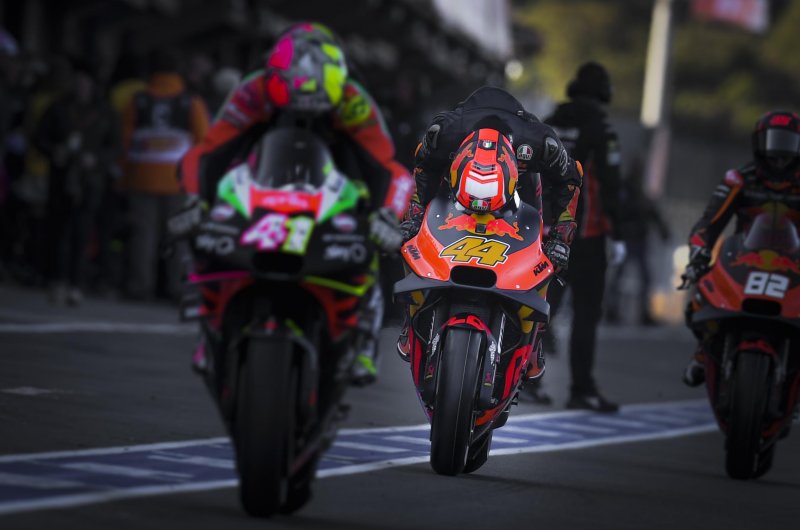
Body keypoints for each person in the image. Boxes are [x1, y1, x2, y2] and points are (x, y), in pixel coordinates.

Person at [177, 22, 414, 385]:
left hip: (340, 181)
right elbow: (207, 152)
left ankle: (363, 336)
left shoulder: (351, 98)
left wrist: (386, 215)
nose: (306, 112)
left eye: (316, 107)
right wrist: (195, 200)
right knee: (209, 226)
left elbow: (391, 169)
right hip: (261, 176)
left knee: (373, 238)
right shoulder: (254, 90)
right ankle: (209, 321)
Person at [395, 84, 584, 388]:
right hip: (452, 189)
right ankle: (410, 320)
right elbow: (423, 166)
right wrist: (415, 216)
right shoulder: (444, 133)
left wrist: (561, 236)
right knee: (410, 240)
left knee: (545, 258)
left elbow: (571, 178)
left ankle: (534, 339)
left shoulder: (540, 142)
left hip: (521, 184)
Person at [523, 61, 625, 412]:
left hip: (541, 228)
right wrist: (619, 234)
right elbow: (611, 185)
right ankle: (582, 389)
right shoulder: (602, 130)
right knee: (585, 313)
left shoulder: (549, 122)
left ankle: (525, 380)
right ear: (604, 92)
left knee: (540, 306)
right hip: (585, 234)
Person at [681, 109, 800, 387]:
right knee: (700, 299)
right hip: (744, 262)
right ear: (758, 144)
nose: (778, 157)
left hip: (793, 267)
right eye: (772, 144)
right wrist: (699, 253)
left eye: (787, 146)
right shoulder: (739, 179)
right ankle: (704, 352)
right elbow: (708, 223)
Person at [120, 48, 210, 302]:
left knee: (142, 236)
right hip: (178, 181)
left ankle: (140, 286)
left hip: (141, 177)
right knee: (179, 237)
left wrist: (124, 177)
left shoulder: (137, 101)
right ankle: (177, 288)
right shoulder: (191, 102)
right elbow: (204, 141)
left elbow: (124, 142)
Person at [33, 58, 121, 305]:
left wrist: (97, 159)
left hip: (90, 181)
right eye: (78, 81)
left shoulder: (105, 112)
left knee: (82, 233)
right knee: (57, 229)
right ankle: (55, 279)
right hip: (61, 177)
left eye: (86, 82)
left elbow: (115, 147)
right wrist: (55, 151)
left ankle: (76, 283)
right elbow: (39, 138)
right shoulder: (58, 108)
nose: (81, 86)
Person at [605, 155, 671, 326]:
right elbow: (622, 210)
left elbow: (650, 211)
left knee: (641, 278)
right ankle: (612, 310)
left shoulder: (637, 190)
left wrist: (662, 230)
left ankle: (640, 312)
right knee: (622, 277)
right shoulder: (627, 190)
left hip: (636, 239)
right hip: (628, 238)